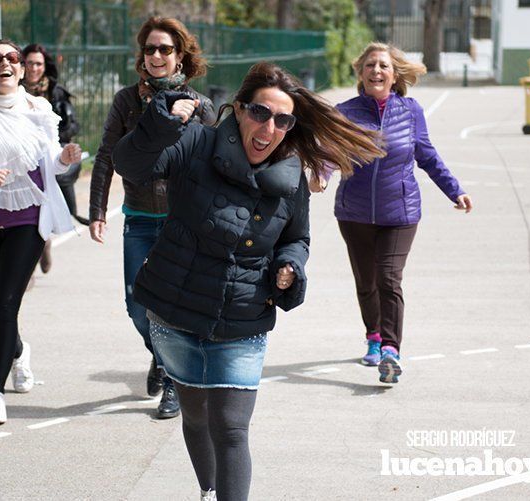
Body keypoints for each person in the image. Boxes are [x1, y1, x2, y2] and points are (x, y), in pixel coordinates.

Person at [113, 62, 383, 501]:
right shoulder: (194, 142)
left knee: (232, 428)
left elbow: (298, 238)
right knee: (196, 417)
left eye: (283, 120)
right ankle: (208, 490)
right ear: (238, 110)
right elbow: (132, 163)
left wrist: (291, 266)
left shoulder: (291, 176)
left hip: (243, 316)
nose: (269, 127)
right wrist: (163, 119)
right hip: (176, 310)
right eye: (260, 113)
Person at [0, 39, 81, 424]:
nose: (5, 63)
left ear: (22, 70)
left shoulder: (39, 108)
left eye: (12, 58)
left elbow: (52, 162)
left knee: (7, 304)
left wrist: (65, 158)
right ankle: (18, 352)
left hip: (28, 217)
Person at [88, 17, 216, 419]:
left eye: (165, 49)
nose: (157, 56)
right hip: (139, 217)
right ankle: (162, 356)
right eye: (150, 49)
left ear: (180, 55)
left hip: (183, 221)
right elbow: (108, 154)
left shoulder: (200, 105)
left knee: (176, 304)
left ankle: (172, 378)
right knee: (136, 304)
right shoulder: (127, 101)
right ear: (142, 57)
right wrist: (97, 210)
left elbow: (216, 159)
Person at [331, 42, 473, 383]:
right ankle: (374, 337)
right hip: (355, 212)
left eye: (382, 66)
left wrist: (455, 189)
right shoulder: (344, 111)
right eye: (370, 66)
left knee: (389, 278)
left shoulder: (410, 111)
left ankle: (391, 351)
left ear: (394, 75)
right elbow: (328, 152)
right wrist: (318, 175)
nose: (376, 71)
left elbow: (426, 155)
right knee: (366, 282)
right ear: (361, 74)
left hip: (401, 211)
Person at [21, 43, 89, 275]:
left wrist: (58, 139)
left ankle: (43, 242)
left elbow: (74, 124)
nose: (33, 68)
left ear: (45, 66)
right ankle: (34, 254)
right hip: (21, 159)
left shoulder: (56, 92)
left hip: (50, 158)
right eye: (29, 63)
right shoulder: (12, 91)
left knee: (46, 205)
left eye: (38, 63)